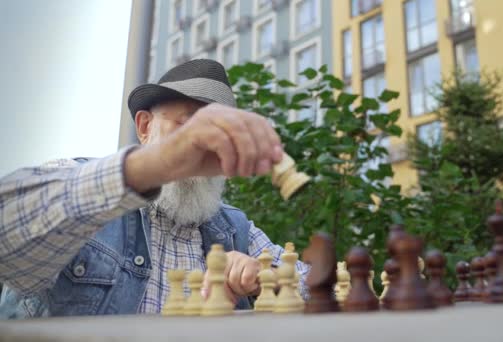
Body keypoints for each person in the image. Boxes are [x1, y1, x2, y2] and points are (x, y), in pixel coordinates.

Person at [0, 59, 309, 318]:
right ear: (145, 127)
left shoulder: (234, 230)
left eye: (221, 135)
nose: (205, 145)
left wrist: (264, 278)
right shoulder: (75, 184)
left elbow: (326, 288)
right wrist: (153, 166)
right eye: (188, 125)